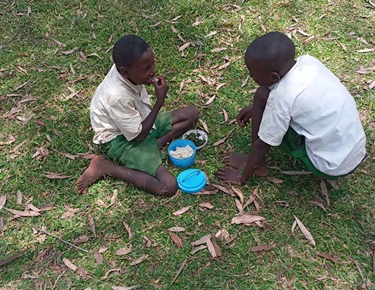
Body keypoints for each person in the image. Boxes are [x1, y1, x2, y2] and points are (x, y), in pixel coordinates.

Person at [216, 31, 366, 185]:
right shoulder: (309, 62)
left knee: (268, 114)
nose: (251, 76)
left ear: (274, 77)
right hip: (355, 145)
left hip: (330, 165)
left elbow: (263, 143)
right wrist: (256, 108)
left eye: (252, 74)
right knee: (262, 94)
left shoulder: (282, 97)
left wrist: (242, 178)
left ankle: (257, 167)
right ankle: (258, 161)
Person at [77, 34, 199, 196]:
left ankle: (150, 149)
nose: (153, 71)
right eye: (146, 69)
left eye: (152, 65)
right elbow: (138, 136)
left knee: (191, 115)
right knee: (168, 187)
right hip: (119, 139)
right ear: (125, 72)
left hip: (139, 122)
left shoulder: (128, 69)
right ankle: (106, 167)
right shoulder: (116, 96)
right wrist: (159, 101)